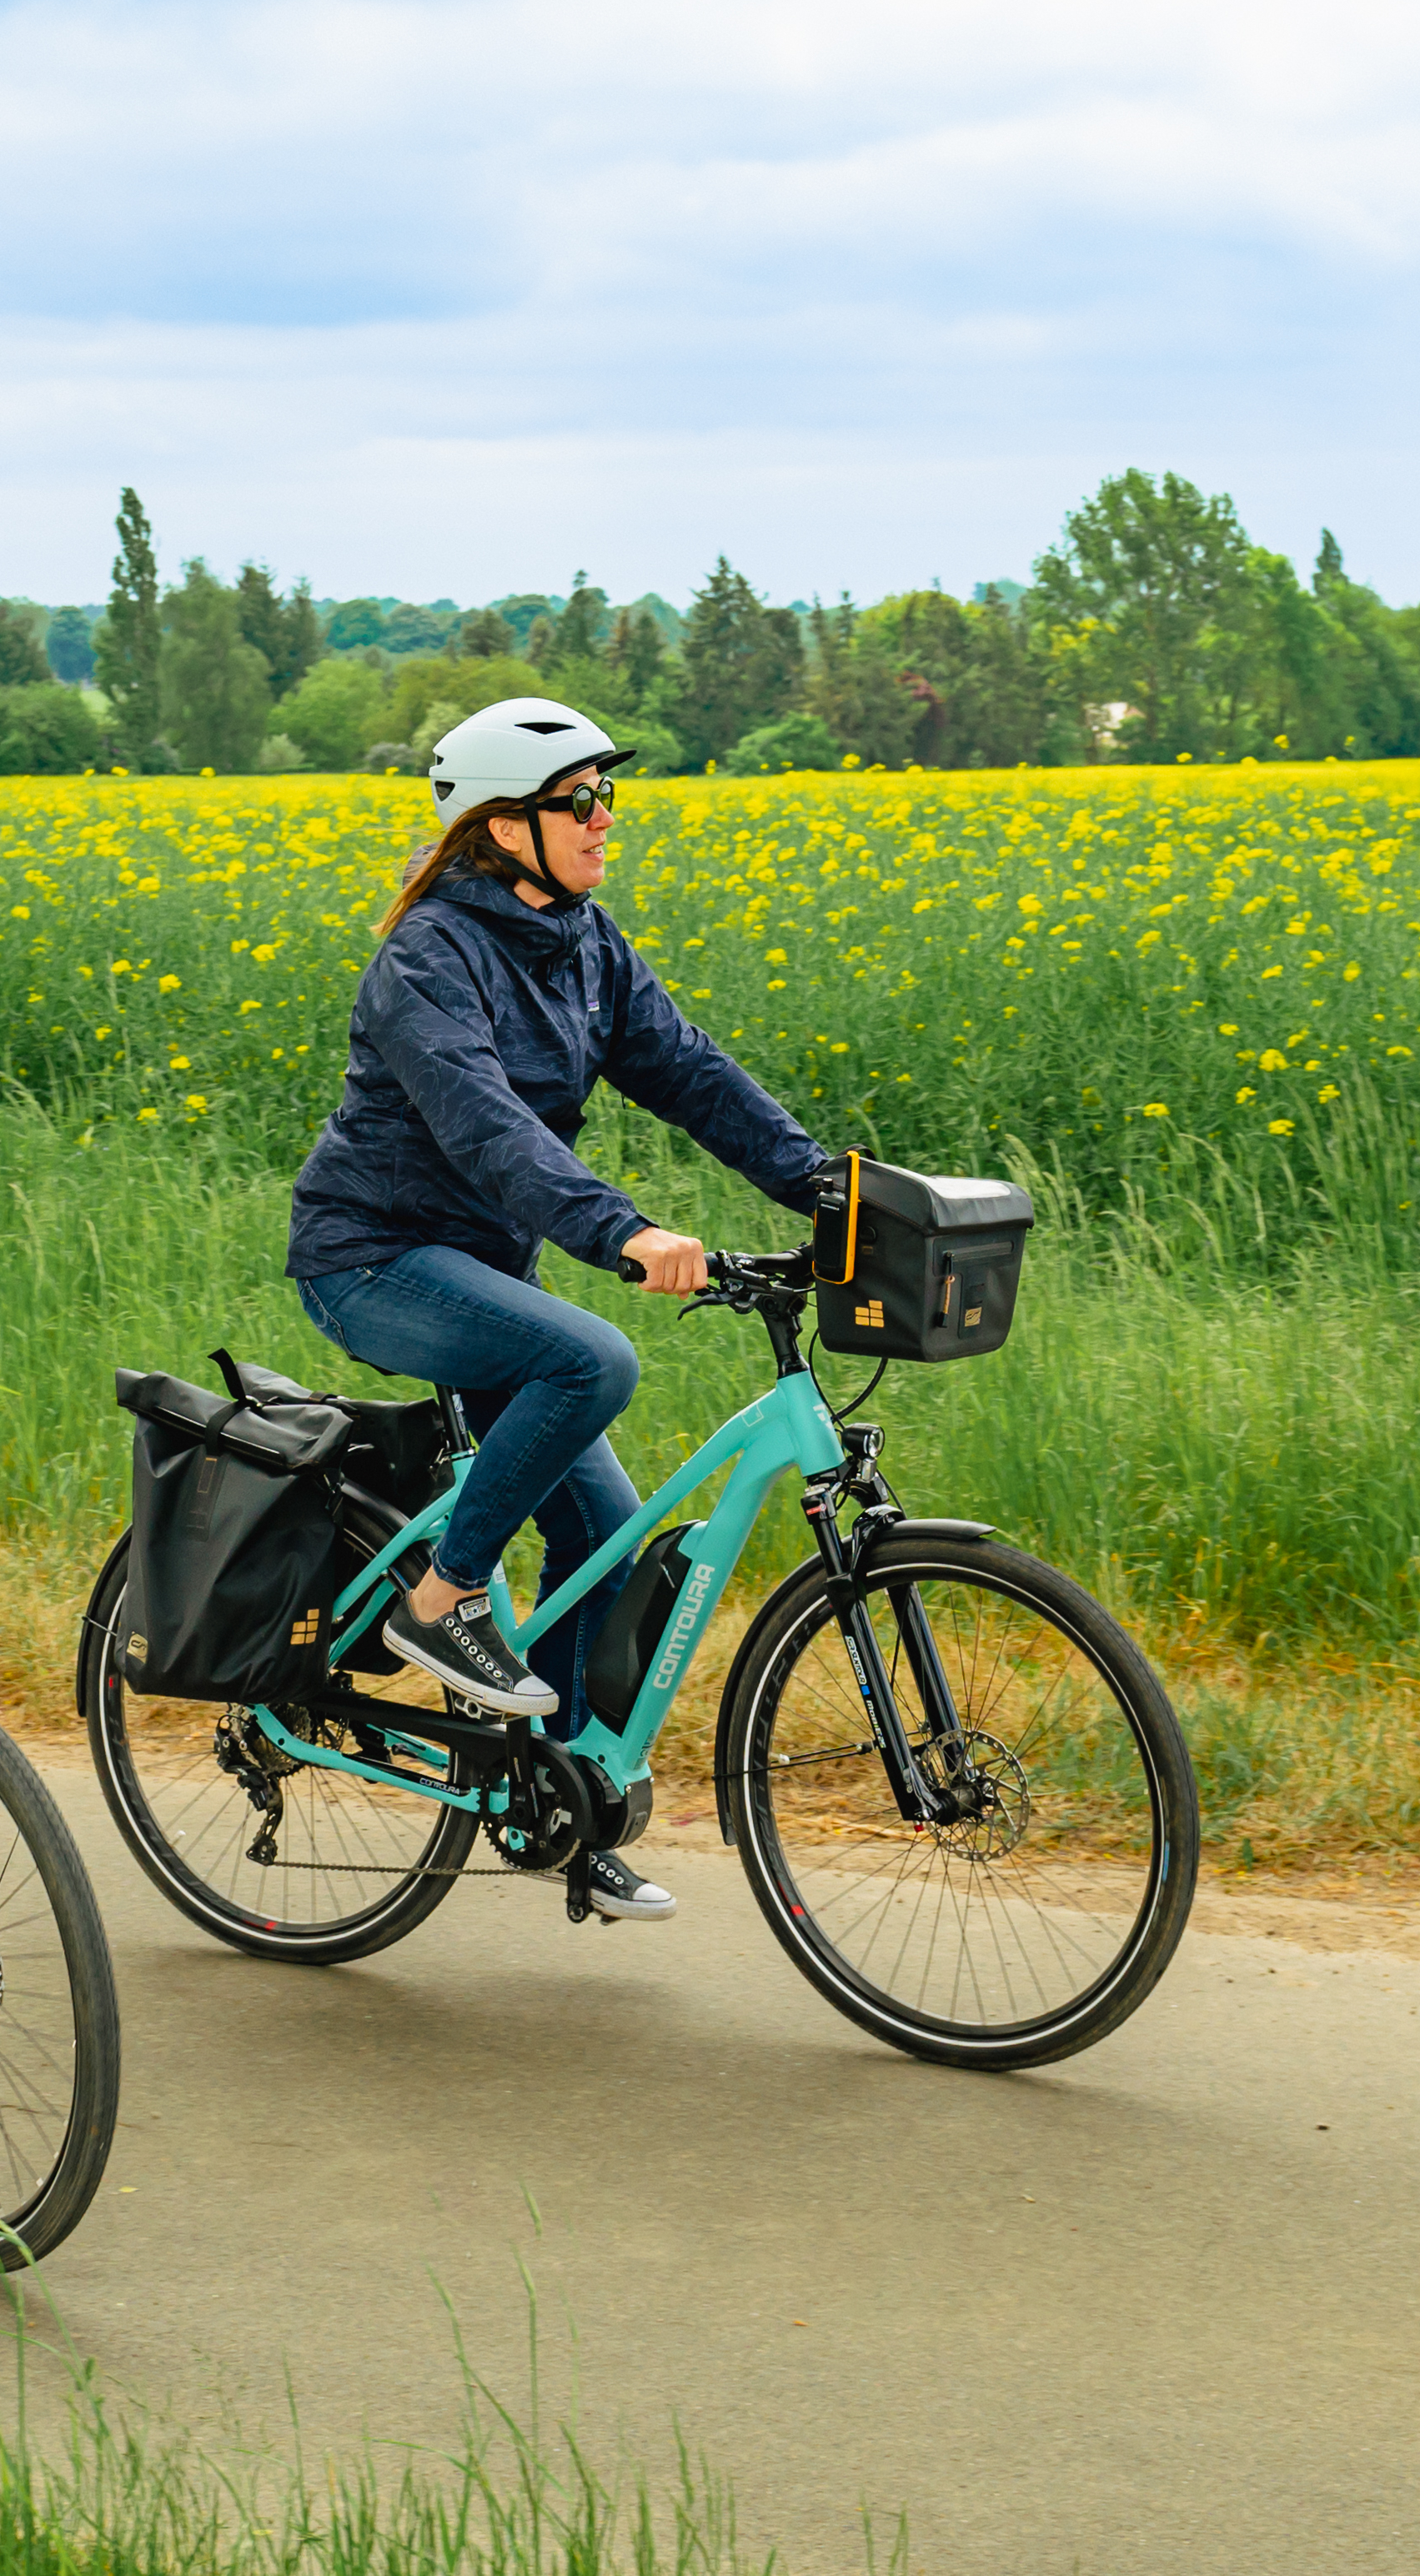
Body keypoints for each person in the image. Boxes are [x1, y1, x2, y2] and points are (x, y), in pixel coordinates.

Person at [283, 699, 834, 1922]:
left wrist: (825, 1185)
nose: (603, 821)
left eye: (608, 797)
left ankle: (560, 1799)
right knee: (594, 1358)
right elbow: (487, 1125)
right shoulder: (428, 957)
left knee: (611, 1540)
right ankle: (441, 1601)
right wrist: (619, 1231)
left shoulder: (582, 941)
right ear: (501, 825)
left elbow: (691, 1072)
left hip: (483, 1271)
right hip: (373, 1260)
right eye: (578, 800)